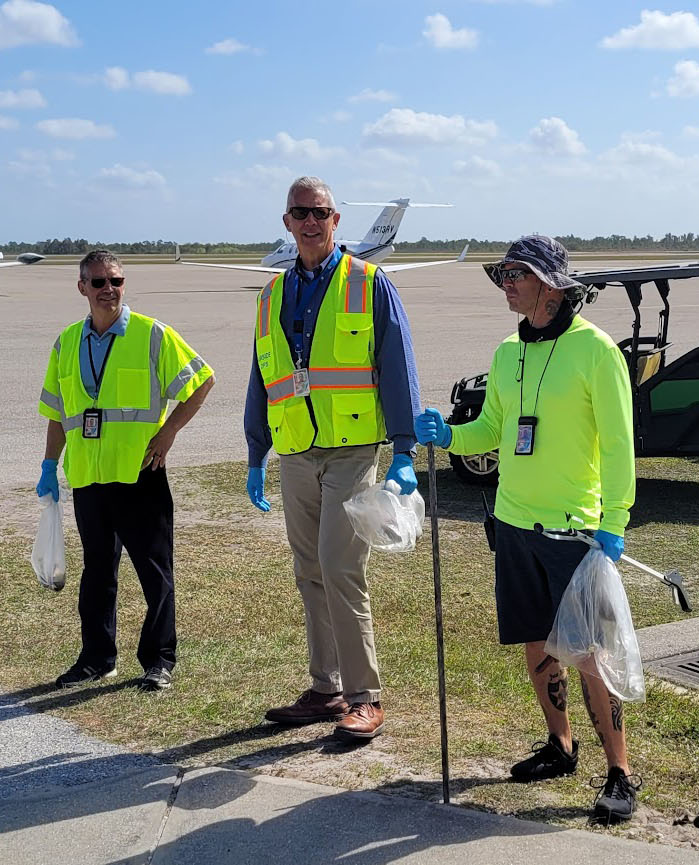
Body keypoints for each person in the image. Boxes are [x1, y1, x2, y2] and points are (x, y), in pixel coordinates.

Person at [413, 235, 639, 823]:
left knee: (591, 655)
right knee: (537, 644)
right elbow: (490, 429)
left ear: (552, 284)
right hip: (513, 525)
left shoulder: (597, 351)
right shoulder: (507, 351)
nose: (507, 282)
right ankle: (560, 746)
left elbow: (619, 447)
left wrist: (613, 523)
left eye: (518, 273)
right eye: (504, 273)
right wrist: (448, 437)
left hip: (577, 531)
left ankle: (620, 773)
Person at [245, 176, 422, 742]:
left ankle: (366, 695)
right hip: (296, 449)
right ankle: (326, 688)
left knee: (340, 566)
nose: (310, 222)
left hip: (351, 449)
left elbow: (397, 365)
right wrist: (256, 452)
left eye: (320, 212)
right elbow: (262, 376)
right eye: (300, 212)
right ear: (287, 221)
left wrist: (404, 449)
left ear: (336, 220)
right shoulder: (271, 295)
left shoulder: (369, 283)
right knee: (308, 571)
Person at [37, 250, 214, 691]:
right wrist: (48, 464)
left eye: (115, 281)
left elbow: (202, 380)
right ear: (82, 288)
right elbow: (57, 412)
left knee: (154, 573)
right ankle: (97, 658)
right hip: (89, 477)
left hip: (140, 474)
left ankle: (159, 661)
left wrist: (168, 433)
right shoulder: (66, 342)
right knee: (96, 572)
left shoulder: (152, 334)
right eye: (98, 282)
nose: (108, 290)